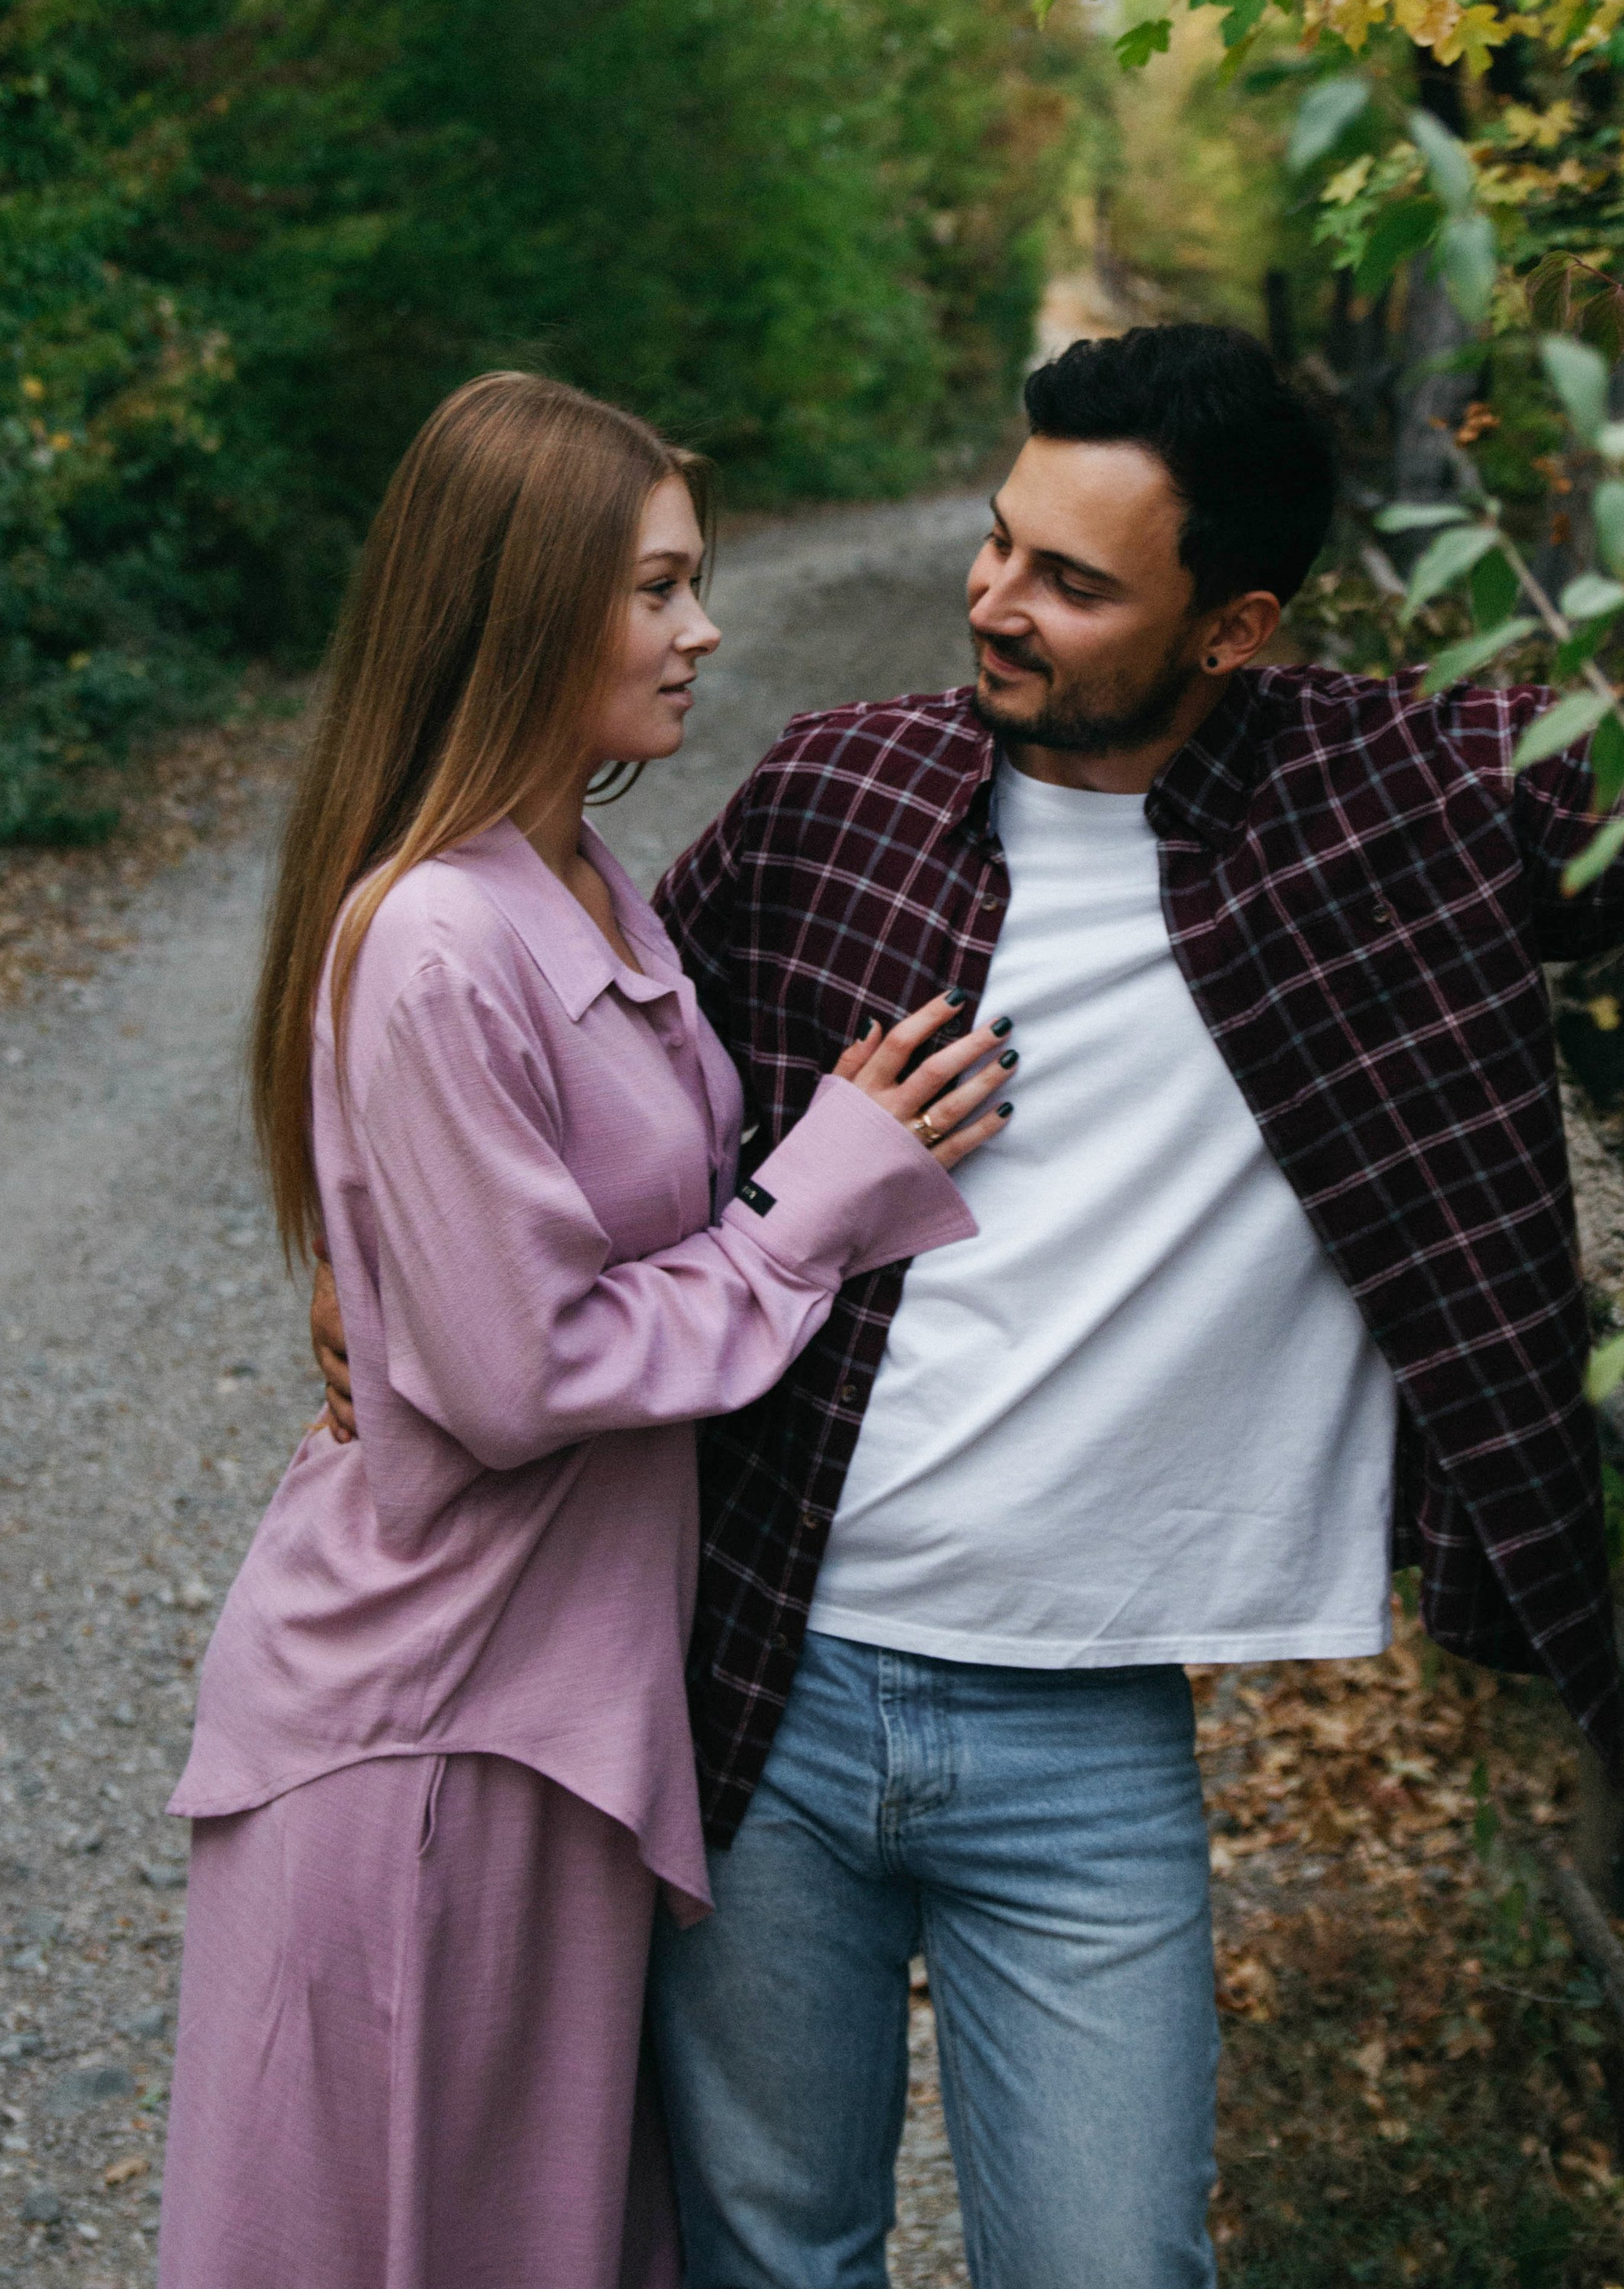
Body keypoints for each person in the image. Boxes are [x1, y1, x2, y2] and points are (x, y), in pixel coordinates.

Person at [313, 325, 1624, 2289]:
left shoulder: (1382, 801)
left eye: (1069, 580)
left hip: (1084, 1736)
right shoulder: (835, 796)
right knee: (768, 2255)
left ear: (1229, 631)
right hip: (752, 1676)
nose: (993, 601)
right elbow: (582, 1088)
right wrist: (376, 1262)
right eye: (994, 545)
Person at [158, 371, 1009, 2289]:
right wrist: (817, 1199)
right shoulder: (437, 937)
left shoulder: (576, 878)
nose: (700, 629)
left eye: (690, 584)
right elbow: (519, 1372)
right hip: (425, 1738)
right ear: (522, 604)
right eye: (654, 589)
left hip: (543, 1719)